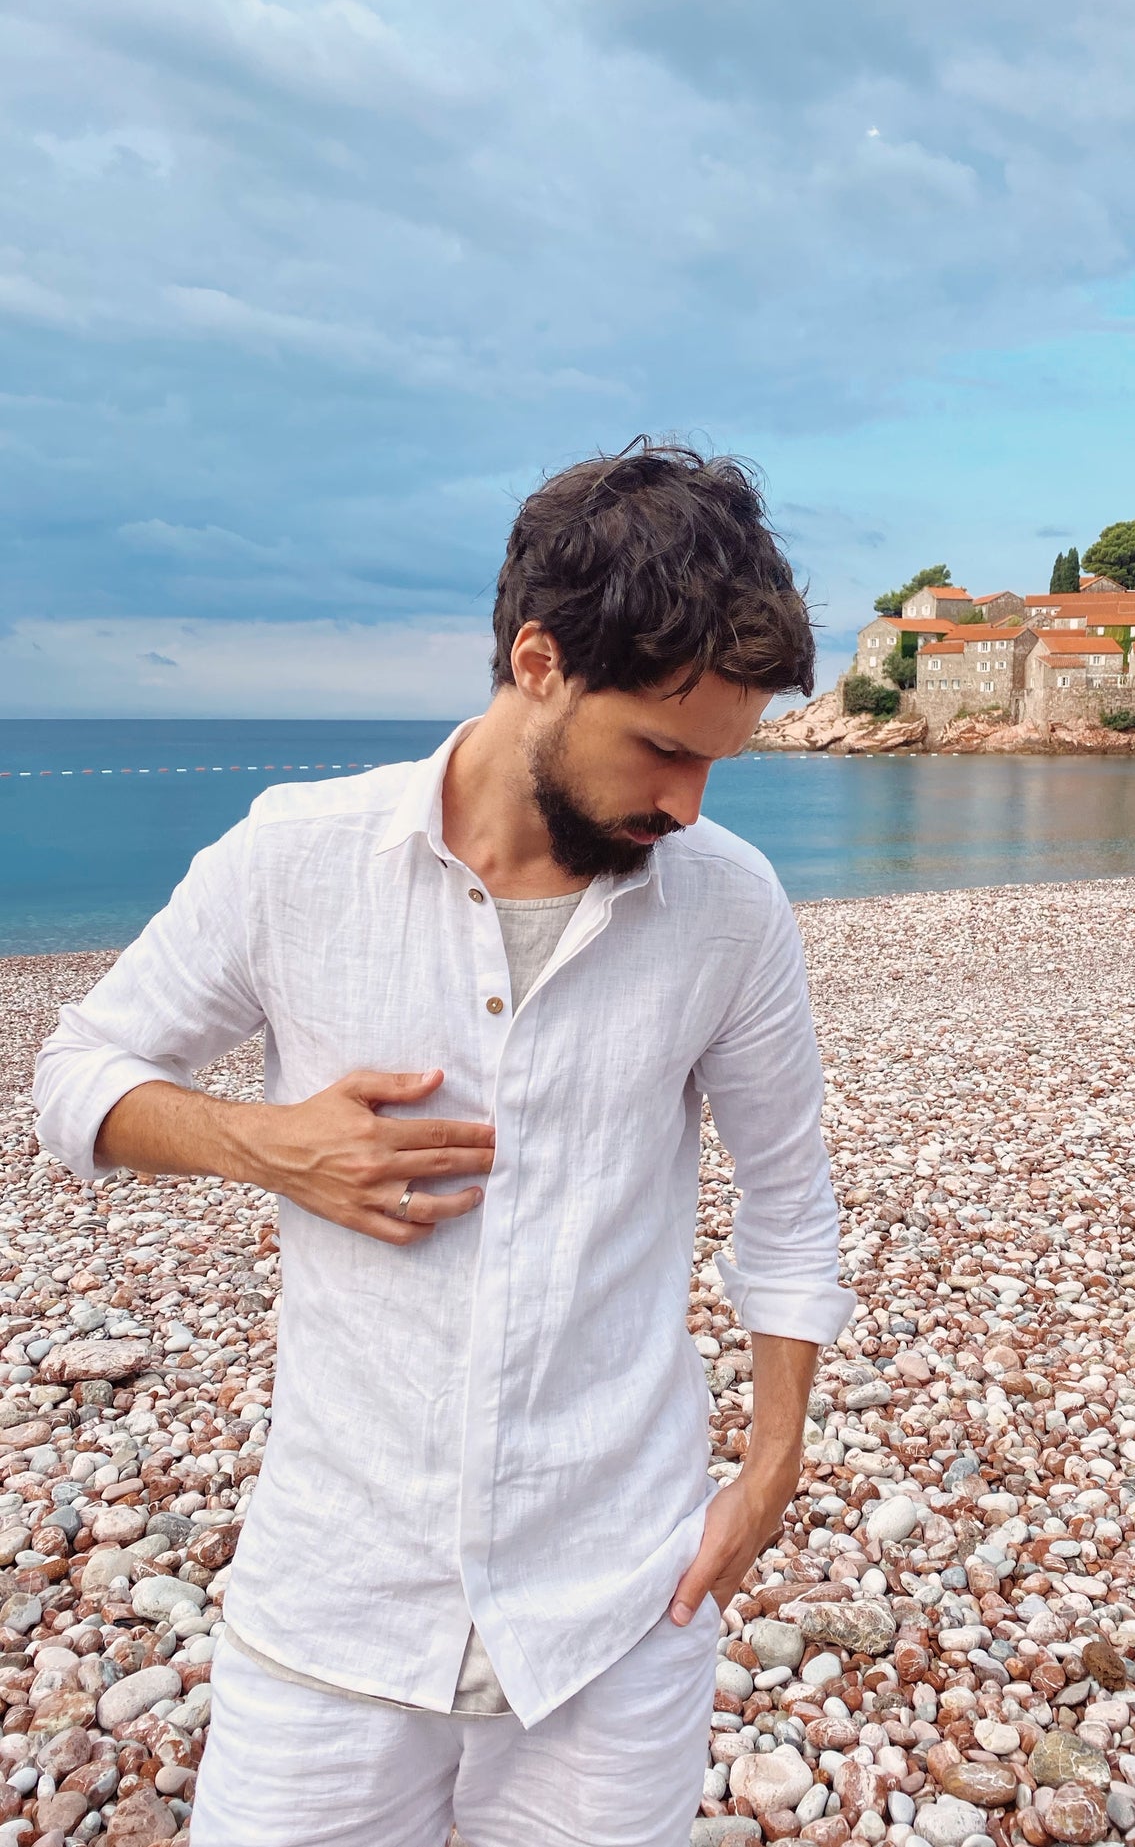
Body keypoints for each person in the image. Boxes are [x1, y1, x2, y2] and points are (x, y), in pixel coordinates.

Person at [33, 441, 854, 1847]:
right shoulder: (296, 858)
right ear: (539, 657)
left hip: (617, 1610)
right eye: (663, 747)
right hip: (335, 1605)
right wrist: (269, 1142)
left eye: (718, 760)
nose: (689, 805)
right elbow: (73, 1078)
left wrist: (769, 1468)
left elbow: (790, 1199)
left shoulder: (731, 906)